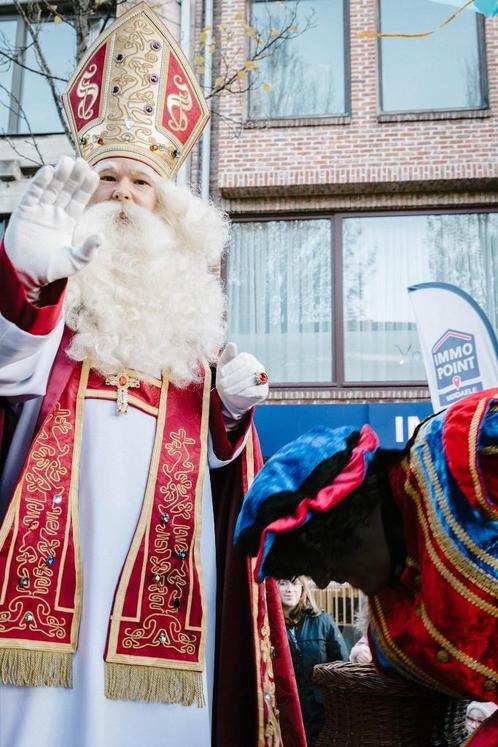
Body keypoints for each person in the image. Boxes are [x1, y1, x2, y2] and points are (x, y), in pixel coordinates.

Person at [0, 5, 306, 747]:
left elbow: (220, 468)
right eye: (108, 178)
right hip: (50, 584)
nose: (126, 196)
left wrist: (232, 421)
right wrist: (24, 283)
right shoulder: (55, 293)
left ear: (170, 206)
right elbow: (10, 375)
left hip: (166, 591)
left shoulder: (186, 324)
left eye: (142, 182)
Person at [235, 388, 498, 746]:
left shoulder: (463, 448)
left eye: (322, 559)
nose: (327, 580)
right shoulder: (393, 637)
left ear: (357, 517)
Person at [278, 576, 347, 745]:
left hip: (321, 714)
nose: (289, 589)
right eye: (282, 583)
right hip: (285, 714)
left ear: (302, 587)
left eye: (294, 583)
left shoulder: (322, 620)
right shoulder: (267, 625)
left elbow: (342, 665)